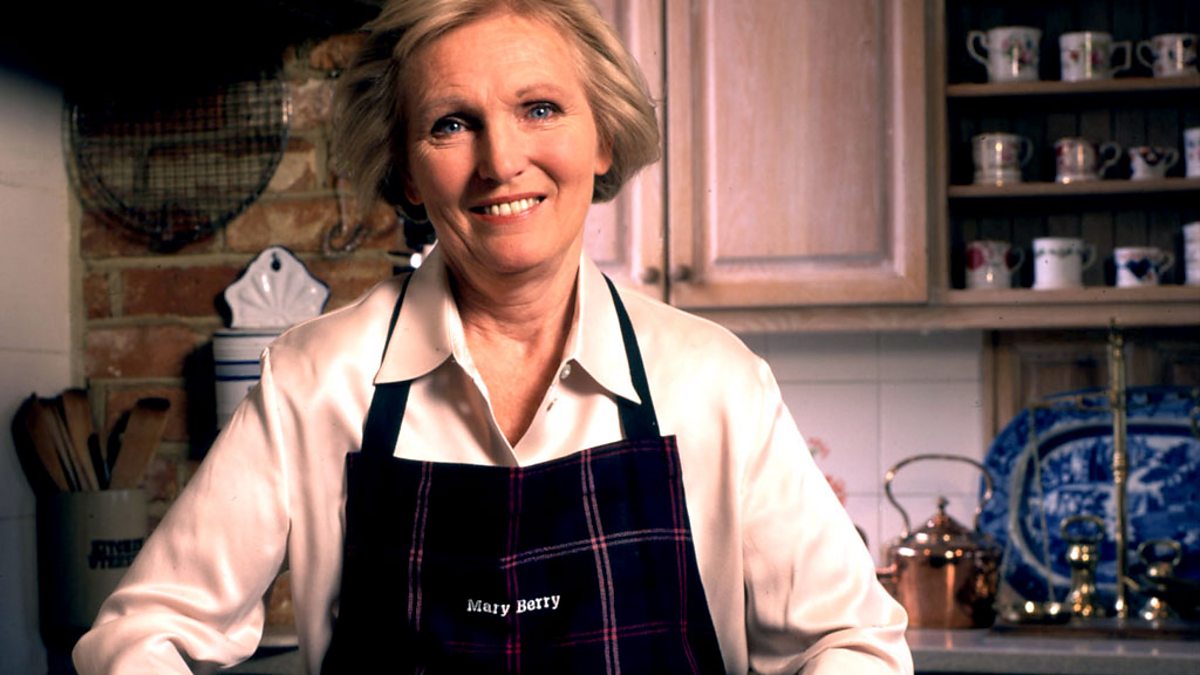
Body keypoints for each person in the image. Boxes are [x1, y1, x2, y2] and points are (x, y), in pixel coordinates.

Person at [73, 0, 912, 672]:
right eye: (451, 123)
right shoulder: (315, 380)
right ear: (407, 171)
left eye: (539, 108)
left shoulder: (714, 382)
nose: (501, 160)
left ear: (602, 137)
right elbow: (142, 635)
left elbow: (852, 641)